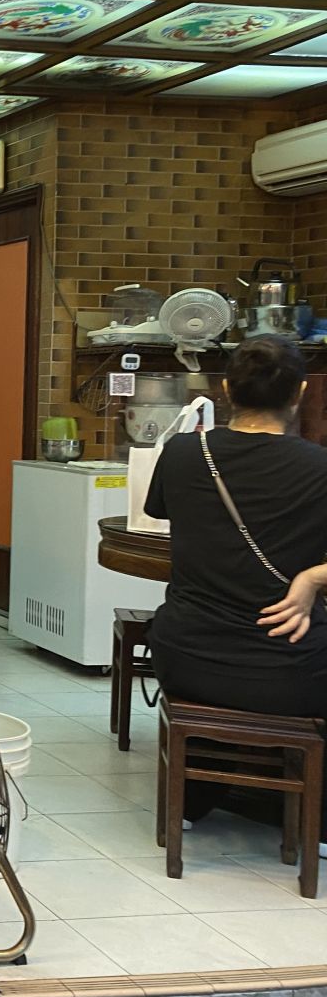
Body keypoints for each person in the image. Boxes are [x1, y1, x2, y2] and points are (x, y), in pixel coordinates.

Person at [144, 335, 327, 847]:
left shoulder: (182, 453)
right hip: (289, 666)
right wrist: (313, 578)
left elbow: (159, 515)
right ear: (301, 393)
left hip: (186, 657)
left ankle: (199, 795)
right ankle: (314, 815)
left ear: (225, 390)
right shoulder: (320, 468)